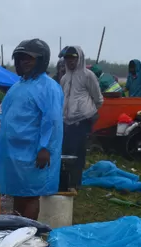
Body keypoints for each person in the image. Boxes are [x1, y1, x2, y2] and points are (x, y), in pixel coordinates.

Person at [0, 39, 63, 220]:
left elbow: (53, 120)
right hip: (12, 152)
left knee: (31, 195)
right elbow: (6, 119)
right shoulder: (17, 86)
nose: (23, 63)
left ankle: (29, 234)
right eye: (20, 59)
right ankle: (17, 230)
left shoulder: (49, 87)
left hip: (32, 151)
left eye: (29, 59)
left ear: (41, 61)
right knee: (17, 193)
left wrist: (45, 148)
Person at [60, 46, 103, 187]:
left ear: (80, 58)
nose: (70, 61)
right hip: (66, 121)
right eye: (68, 58)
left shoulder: (88, 75)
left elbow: (98, 98)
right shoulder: (64, 78)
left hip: (82, 121)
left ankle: (74, 183)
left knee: (77, 153)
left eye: (73, 57)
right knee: (66, 151)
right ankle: (66, 182)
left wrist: (87, 112)